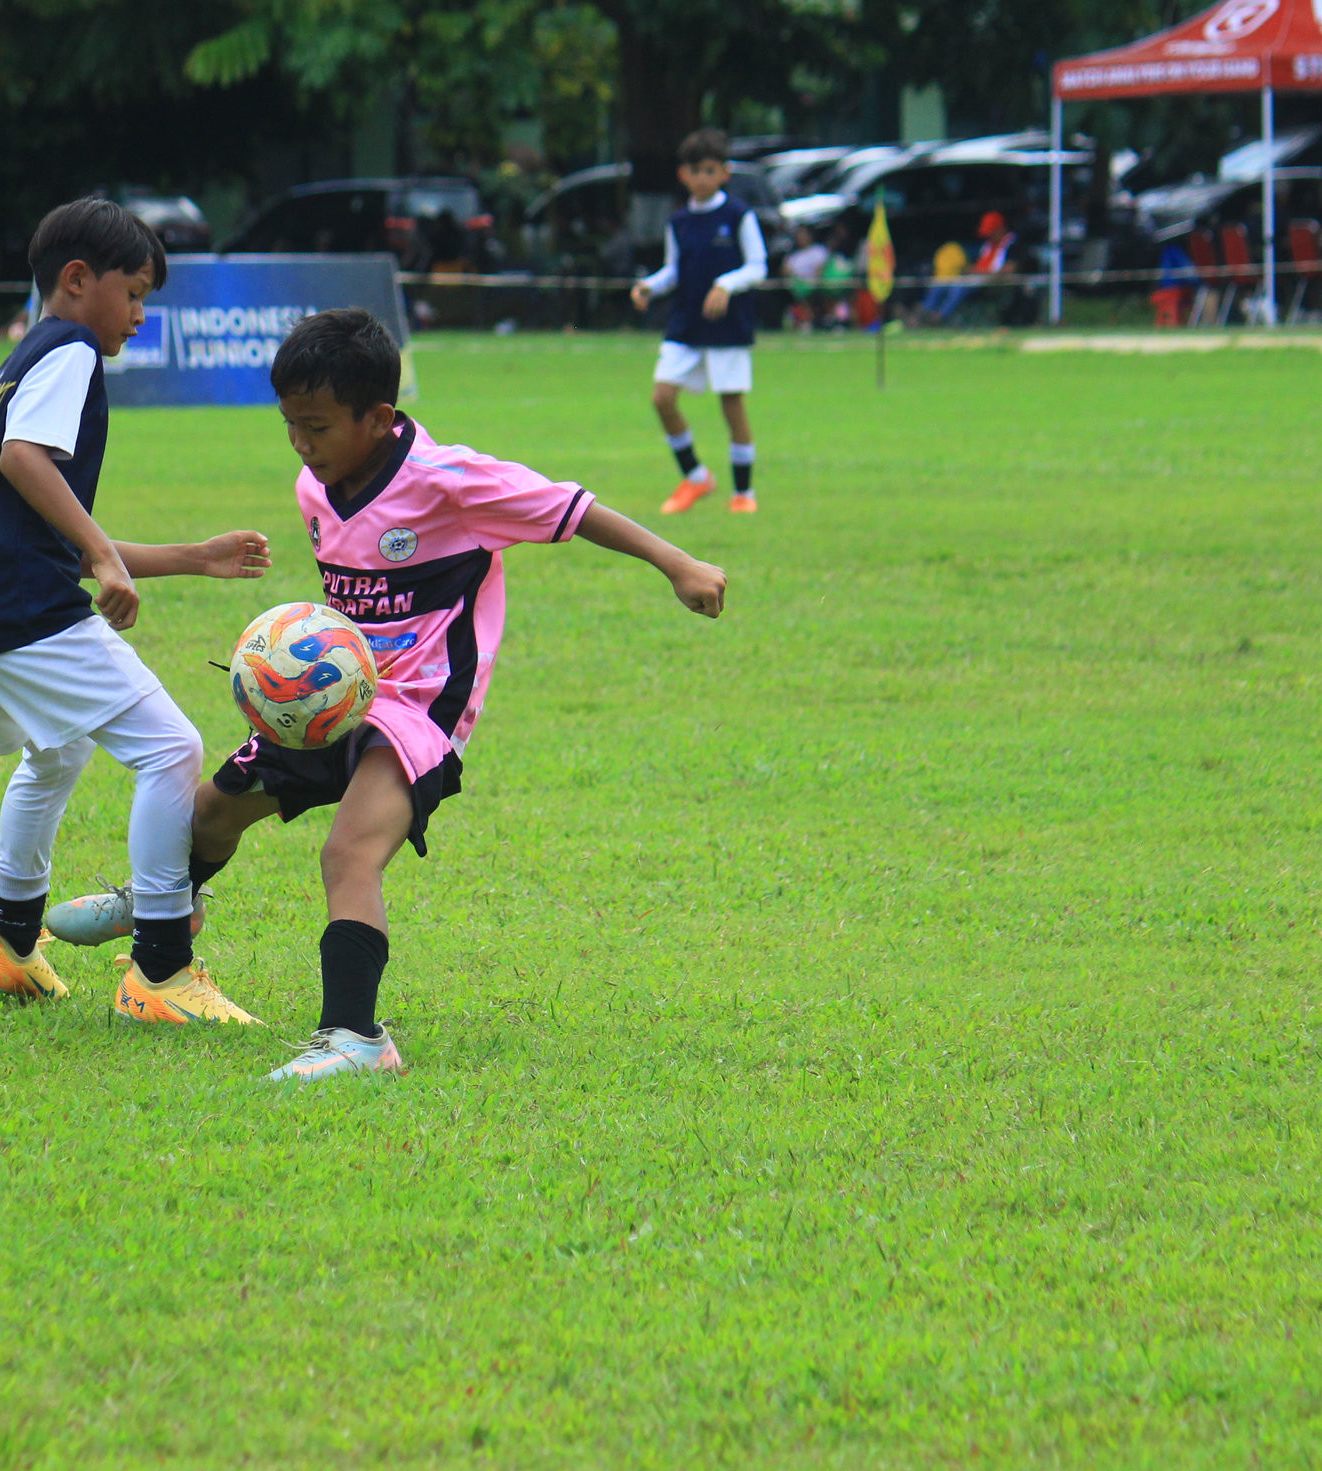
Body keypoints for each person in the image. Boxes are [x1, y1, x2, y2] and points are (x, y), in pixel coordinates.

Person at [47, 308, 725, 1081]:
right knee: (208, 809)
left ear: (377, 418)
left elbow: (572, 508)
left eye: (316, 425)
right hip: (340, 695)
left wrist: (677, 563)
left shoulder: (450, 480)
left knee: (350, 851)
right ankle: (165, 897)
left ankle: (356, 1037)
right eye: (289, 425)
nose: (301, 443)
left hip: (420, 709)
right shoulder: (317, 482)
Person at [0, 197, 271, 1018]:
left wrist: (193, 557)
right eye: (136, 293)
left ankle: (8, 945)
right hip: (14, 599)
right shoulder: (72, 347)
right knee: (170, 747)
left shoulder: (25, 359)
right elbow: (23, 461)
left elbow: (38, 520)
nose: (141, 317)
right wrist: (108, 558)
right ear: (78, 281)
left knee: (58, 752)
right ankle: (160, 971)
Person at [629, 127, 767, 515]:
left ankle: (743, 493)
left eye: (710, 170)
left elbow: (758, 266)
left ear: (724, 173)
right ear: (683, 175)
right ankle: (696, 477)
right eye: (696, 171)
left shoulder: (739, 215)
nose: (702, 178)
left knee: (731, 406)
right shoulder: (679, 222)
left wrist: (726, 285)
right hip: (686, 324)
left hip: (727, 326)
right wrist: (649, 287)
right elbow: (673, 270)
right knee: (662, 398)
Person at [784, 225, 828, 330]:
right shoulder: (793, 256)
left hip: (815, 285)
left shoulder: (818, 251)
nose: (801, 237)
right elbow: (786, 271)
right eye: (799, 235)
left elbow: (821, 269)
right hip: (797, 286)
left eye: (803, 234)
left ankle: (826, 320)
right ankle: (802, 321)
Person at [918, 235, 970, 323]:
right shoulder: (940, 252)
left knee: (956, 290)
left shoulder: (956, 249)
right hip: (941, 281)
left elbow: (964, 268)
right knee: (934, 289)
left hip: (956, 281)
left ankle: (939, 317)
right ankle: (922, 315)